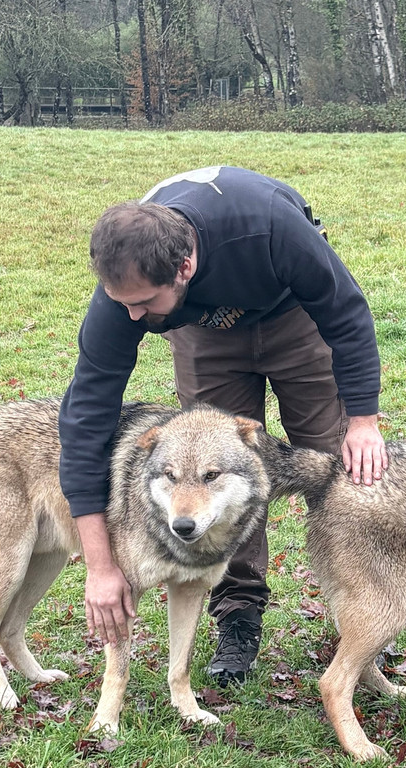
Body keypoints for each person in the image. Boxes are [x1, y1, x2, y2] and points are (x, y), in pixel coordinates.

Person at [58, 166, 387, 687]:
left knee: (334, 470)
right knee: (208, 474)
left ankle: (361, 622)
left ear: (184, 266)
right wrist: (100, 566)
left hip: (292, 317)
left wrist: (364, 419)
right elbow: (84, 422)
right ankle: (238, 614)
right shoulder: (125, 298)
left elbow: (345, 312)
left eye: (144, 304)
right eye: (124, 304)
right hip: (203, 334)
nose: (134, 318)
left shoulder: (269, 225)